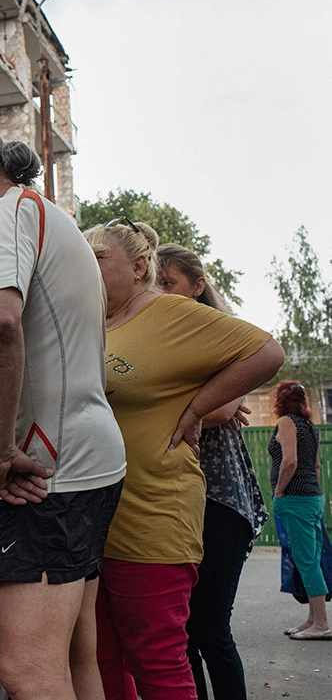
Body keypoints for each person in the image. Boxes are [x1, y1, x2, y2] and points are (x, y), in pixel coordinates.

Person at [0, 125, 127, 700]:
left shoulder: (3, 217)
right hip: (85, 462)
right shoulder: (44, 214)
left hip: (48, 476)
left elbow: (2, 323)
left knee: (28, 671)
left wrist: (0, 452)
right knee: (76, 657)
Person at [83, 220, 283, 699]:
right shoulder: (93, 321)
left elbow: (266, 352)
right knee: (104, 658)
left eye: (98, 257)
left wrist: (195, 408)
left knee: (157, 659)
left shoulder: (171, 313)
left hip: (152, 515)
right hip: (91, 520)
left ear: (137, 266)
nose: (85, 265)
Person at [157, 243, 269, 699]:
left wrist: (206, 403)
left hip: (220, 501)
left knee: (209, 631)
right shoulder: (163, 339)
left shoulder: (219, 338)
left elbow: (222, 410)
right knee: (183, 635)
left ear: (198, 285)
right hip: (178, 499)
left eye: (170, 284)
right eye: (155, 286)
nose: (161, 294)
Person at [268, 380, 329, 640]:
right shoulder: (309, 425)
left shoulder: (286, 422)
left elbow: (290, 460)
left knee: (306, 560)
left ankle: (323, 625)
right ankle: (313, 619)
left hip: (295, 499)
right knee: (312, 558)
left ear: (280, 400)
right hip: (313, 498)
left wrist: (279, 490)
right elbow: (315, 466)